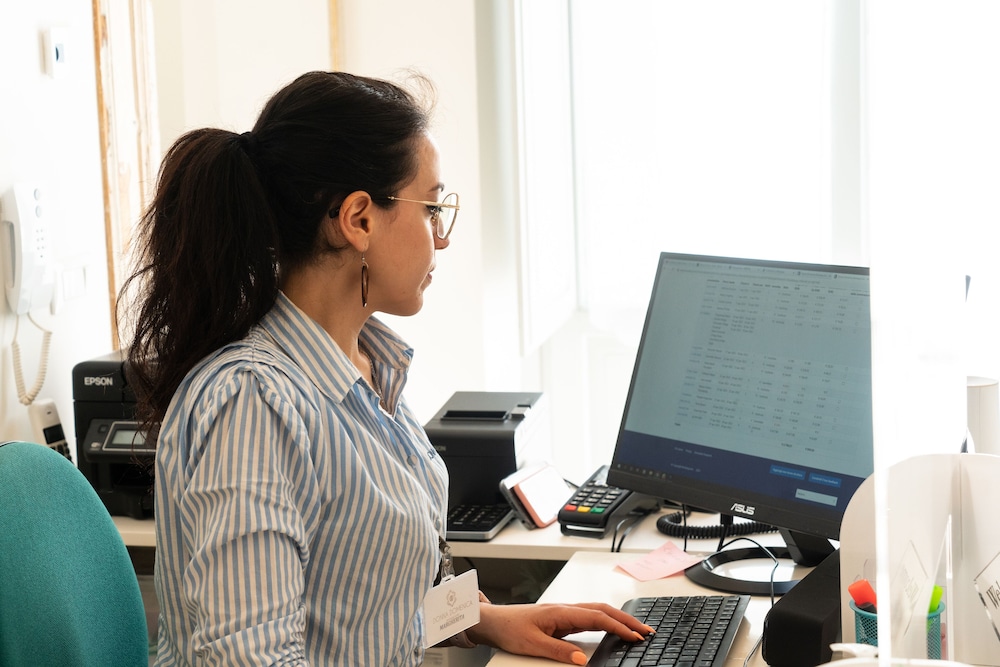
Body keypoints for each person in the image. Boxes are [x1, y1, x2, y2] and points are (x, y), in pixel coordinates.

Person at [119, 70, 652, 666]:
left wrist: (484, 619)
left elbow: (359, 599)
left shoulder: (369, 368)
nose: (441, 239)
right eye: (431, 208)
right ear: (358, 220)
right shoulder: (255, 403)